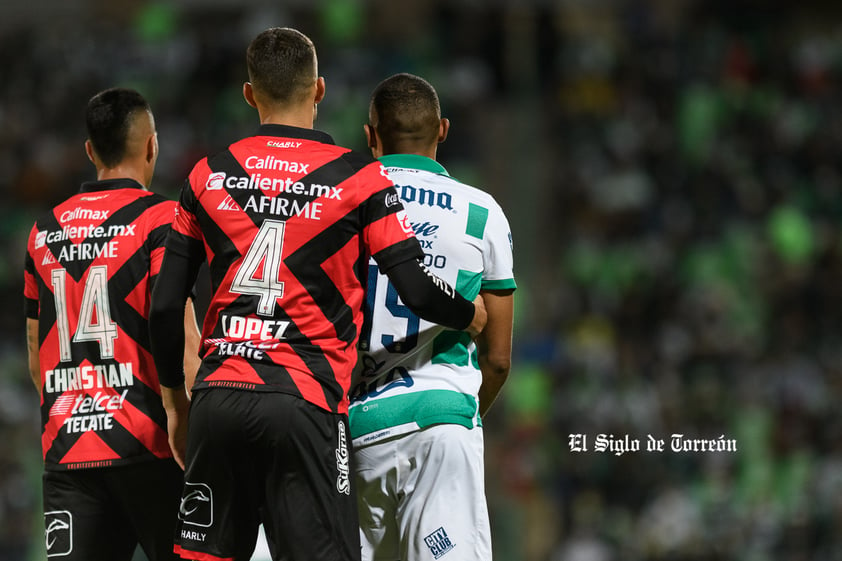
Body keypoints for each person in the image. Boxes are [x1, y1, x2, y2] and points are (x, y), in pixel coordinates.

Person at [147, 27, 486, 561]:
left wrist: (176, 403)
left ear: (249, 93)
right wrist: (470, 314)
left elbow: (165, 304)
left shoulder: (206, 175)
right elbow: (418, 290)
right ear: (321, 90)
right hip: (306, 403)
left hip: (218, 398)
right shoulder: (360, 178)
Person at [23, 87, 202, 561]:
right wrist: (186, 419)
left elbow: (36, 358)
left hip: (68, 452)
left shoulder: (43, 231)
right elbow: (184, 342)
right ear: (151, 146)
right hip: (152, 446)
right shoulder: (163, 221)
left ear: (89, 150)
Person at [350, 73, 517, 561]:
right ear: (442, 130)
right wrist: (459, 414)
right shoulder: (481, 213)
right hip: (444, 422)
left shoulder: (344, 204)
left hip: (356, 431)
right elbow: (500, 359)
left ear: (370, 134)